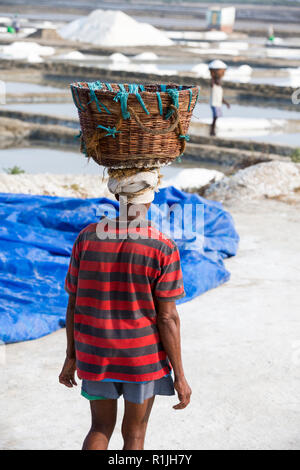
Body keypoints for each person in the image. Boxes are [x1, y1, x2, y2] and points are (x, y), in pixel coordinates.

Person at [59, 169, 192, 450]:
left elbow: (73, 303)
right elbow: (167, 318)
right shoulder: (162, 246)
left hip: (95, 354)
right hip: (141, 359)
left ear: (118, 197)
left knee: (99, 428)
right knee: (134, 435)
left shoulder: (87, 238)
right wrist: (180, 376)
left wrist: (71, 356)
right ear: (149, 201)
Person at [208, 59, 230, 137]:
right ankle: (212, 130)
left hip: (218, 103)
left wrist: (226, 103)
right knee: (215, 117)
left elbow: (220, 96)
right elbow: (212, 81)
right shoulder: (213, 83)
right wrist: (214, 75)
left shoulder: (219, 86)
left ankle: (212, 130)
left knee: (216, 117)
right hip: (214, 103)